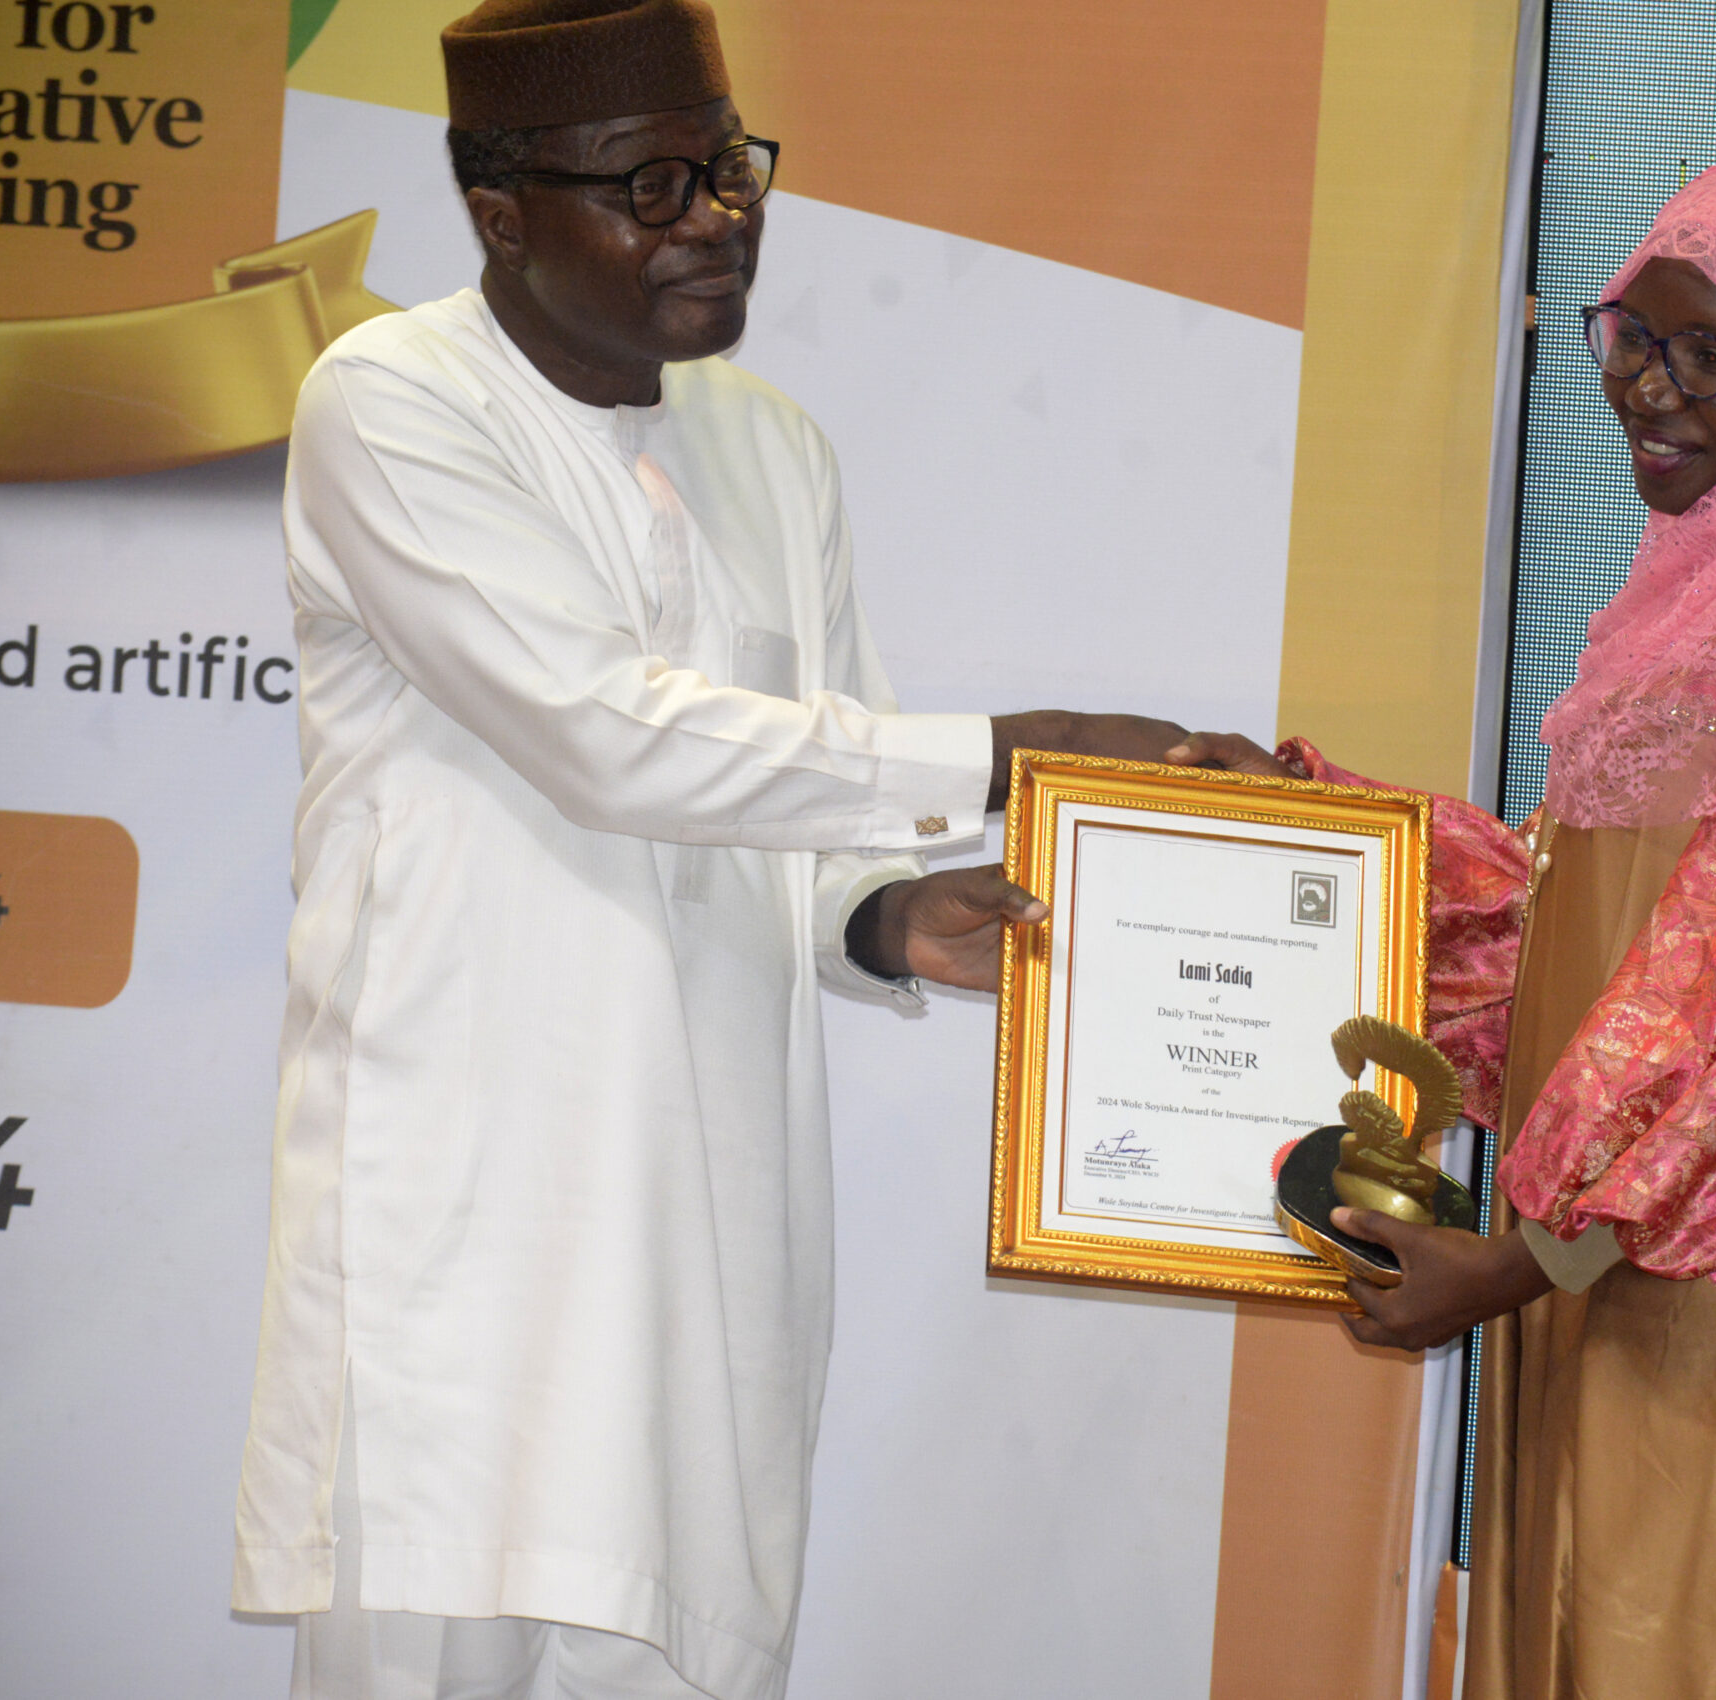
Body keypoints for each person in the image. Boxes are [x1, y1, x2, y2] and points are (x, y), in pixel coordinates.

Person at [229, 3, 1224, 1695]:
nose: (718, 218)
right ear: (501, 208)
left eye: (733, 169)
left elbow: (807, 795)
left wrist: (890, 915)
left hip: (716, 1225)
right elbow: (610, 739)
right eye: (654, 185)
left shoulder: (773, 448)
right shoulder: (390, 405)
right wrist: (1012, 751)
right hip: (467, 1227)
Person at [1195, 153, 1716, 1695]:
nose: (1652, 388)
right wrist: (1318, 824)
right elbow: (1592, 914)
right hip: (1625, 1259)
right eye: (1632, 333)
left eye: (1713, 352)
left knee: (1704, 1636)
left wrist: (1517, 1263)